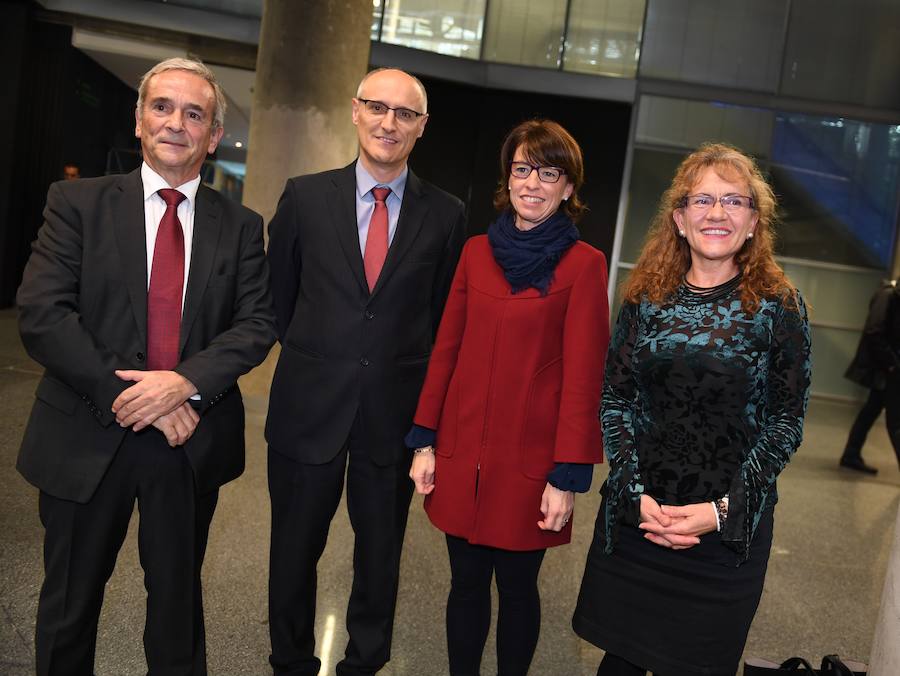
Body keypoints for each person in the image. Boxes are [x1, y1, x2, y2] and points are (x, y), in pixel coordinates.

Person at [16, 57, 276, 675]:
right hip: (87, 431)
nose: (176, 124)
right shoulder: (75, 203)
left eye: (195, 114)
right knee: (68, 608)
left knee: (177, 614)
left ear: (214, 136)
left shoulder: (241, 227)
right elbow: (43, 314)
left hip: (188, 440)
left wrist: (184, 386)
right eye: (162, 107)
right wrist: (136, 399)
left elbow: (256, 324)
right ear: (138, 120)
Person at [573, 143, 812, 676]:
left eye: (734, 200)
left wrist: (720, 512)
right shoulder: (645, 298)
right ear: (679, 219)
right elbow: (616, 399)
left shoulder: (779, 306)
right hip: (641, 524)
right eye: (702, 199)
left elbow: (785, 422)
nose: (717, 213)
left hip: (724, 538)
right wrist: (634, 495)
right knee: (621, 663)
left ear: (754, 222)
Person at [265, 67, 466, 676]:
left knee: (381, 555)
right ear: (354, 111)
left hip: (394, 418)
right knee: (293, 551)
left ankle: (364, 662)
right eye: (377, 108)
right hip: (308, 411)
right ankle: (291, 660)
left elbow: (441, 321)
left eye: (405, 114)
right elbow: (278, 301)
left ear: (422, 128)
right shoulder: (304, 197)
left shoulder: (448, 215)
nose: (389, 123)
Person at [408, 119, 609, 675]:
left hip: (531, 467)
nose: (533, 183)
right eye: (523, 169)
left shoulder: (585, 266)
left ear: (568, 188)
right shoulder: (476, 252)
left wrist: (568, 475)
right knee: (464, 586)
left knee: (518, 592)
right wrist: (424, 440)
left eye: (550, 173)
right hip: (461, 456)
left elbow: (584, 378)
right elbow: (445, 350)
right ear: (508, 177)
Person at [839, 279, 900, 474]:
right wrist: (892, 364)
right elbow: (874, 331)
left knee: (871, 410)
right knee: (896, 421)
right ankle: (850, 454)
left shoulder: (892, 295)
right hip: (886, 367)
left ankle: (851, 454)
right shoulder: (887, 295)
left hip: (887, 367)